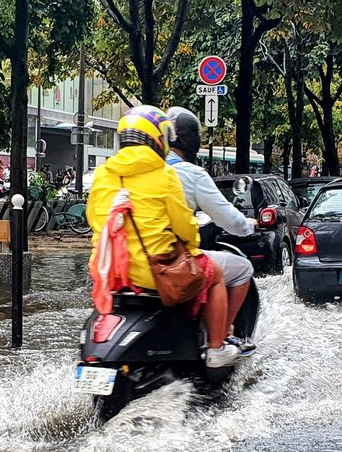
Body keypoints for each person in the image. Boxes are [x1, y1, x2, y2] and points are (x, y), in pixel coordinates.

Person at [88, 106, 244, 367]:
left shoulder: (104, 174)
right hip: (153, 270)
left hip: (110, 271)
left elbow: (94, 219)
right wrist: (192, 247)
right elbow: (183, 224)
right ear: (158, 138)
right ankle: (217, 348)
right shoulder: (164, 174)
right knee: (214, 275)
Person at [165, 106, 257, 352]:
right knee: (242, 269)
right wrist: (248, 226)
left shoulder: (136, 172)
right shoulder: (191, 174)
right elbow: (229, 219)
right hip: (172, 259)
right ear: (192, 139)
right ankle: (221, 340)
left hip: (128, 261)